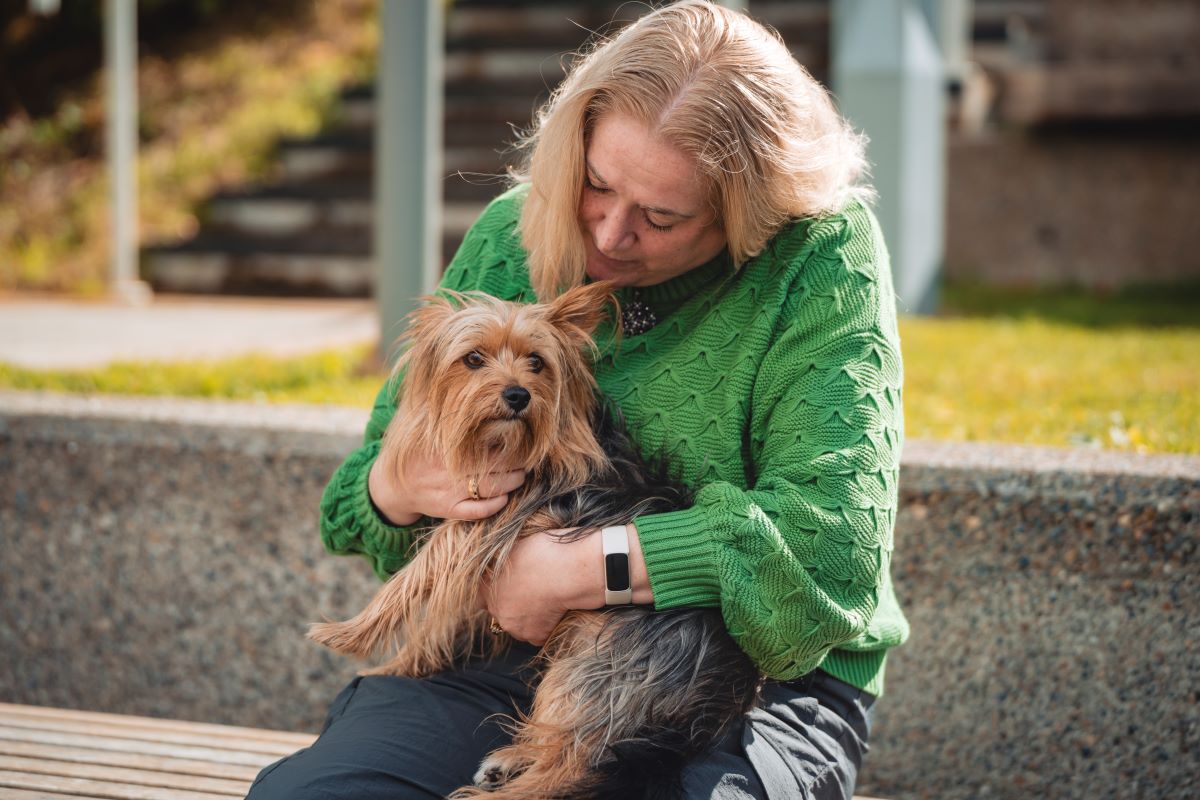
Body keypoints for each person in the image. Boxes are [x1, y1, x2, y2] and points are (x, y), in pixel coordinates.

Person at [249, 2, 908, 798]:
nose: (608, 234)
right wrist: (398, 486)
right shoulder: (510, 231)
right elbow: (358, 514)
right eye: (596, 184)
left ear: (753, 216)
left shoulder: (819, 259)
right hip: (492, 658)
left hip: (757, 682)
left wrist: (574, 573)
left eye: (661, 216)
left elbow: (832, 554)